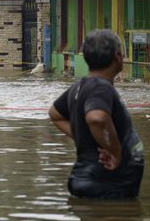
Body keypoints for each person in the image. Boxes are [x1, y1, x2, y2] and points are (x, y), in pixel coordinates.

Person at [48, 29, 144, 199]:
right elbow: (97, 119)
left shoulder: (79, 86)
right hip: (106, 184)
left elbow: (55, 114)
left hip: (92, 181)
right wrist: (115, 152)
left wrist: (84, 138)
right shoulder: (100, 87)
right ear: (117, 56)